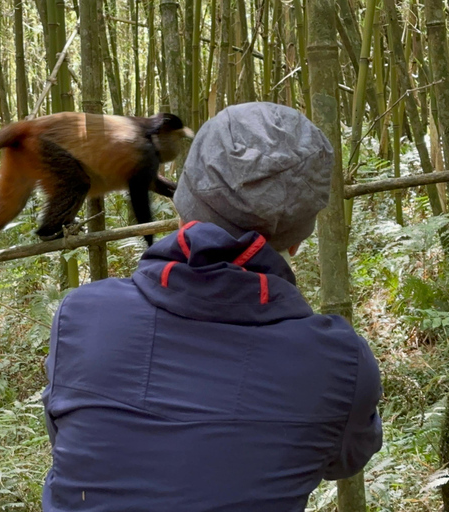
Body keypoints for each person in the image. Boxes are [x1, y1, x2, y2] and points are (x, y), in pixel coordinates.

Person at [41, 102, 383, 511]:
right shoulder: (340, 363)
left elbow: (69, 437)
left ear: (184, 206)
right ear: (297, 238)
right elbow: (346, 458)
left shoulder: (81, 316)